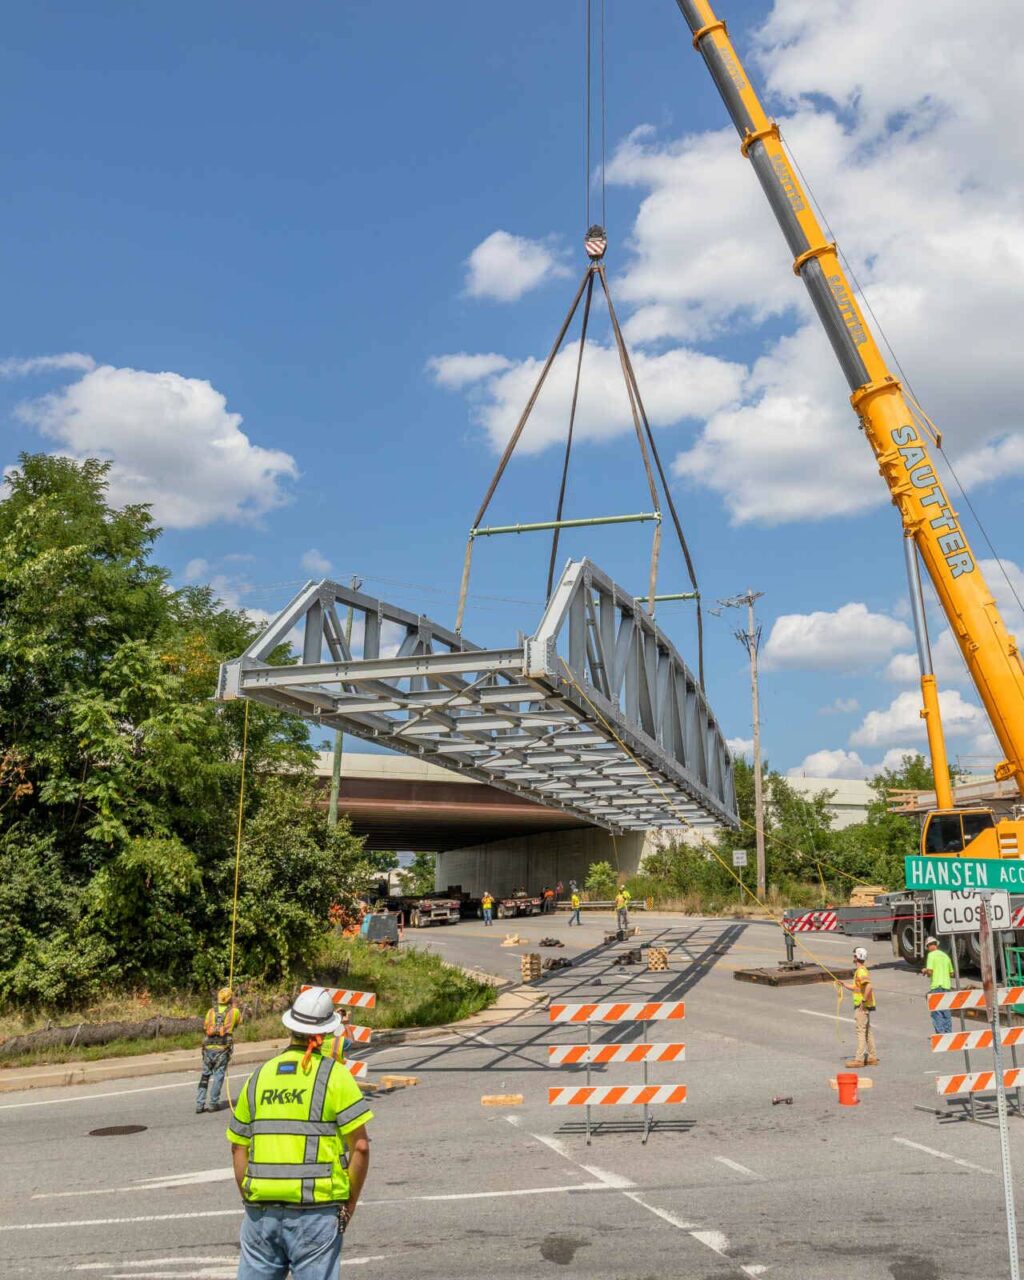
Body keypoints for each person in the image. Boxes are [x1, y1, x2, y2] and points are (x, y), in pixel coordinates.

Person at [227, 986, 373, 1280]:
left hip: (261, 1212)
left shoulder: (259, 1076)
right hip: (315, 1213)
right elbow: (360, 1148)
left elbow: (238, 1148)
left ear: (290, 1027)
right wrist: (349, 1205)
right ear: (326, 1034)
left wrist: (251, 1199)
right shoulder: (334, 1075)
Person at [197, 986, 242, 1114]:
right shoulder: (234, 1012)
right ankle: (213, 1103)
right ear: (230, 999)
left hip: (208, 1048)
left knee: (205, 1075)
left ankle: (199, 1104)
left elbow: (206, 1027)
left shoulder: (210, 1011)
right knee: (218, 1075)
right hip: (222, 1049)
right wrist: (234, 1006)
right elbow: (238, 1023)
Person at [844, 946, 878, 1067]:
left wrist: (863, 1001)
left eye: (854, 955)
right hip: (864, 1005)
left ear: (856, 957)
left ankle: (859, 1059)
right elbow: (857, 987)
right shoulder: (861, 970)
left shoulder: (861, 971)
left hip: (862, 1006)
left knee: (861, 1031)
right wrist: (844, 984)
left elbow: (868, 986)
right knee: (867, 1031)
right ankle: (872, 1057)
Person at [923, 936, 954, 1034]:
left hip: (936, 986)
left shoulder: (931, 955)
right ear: (936, 944)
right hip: (947, 986)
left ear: (928, 946)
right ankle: (948, 1032)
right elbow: (952, 973)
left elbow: (930, 972)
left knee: (936, 1012)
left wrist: (925, 971)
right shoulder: (945, 956)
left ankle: (940, 1033)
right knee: (946, 1011)